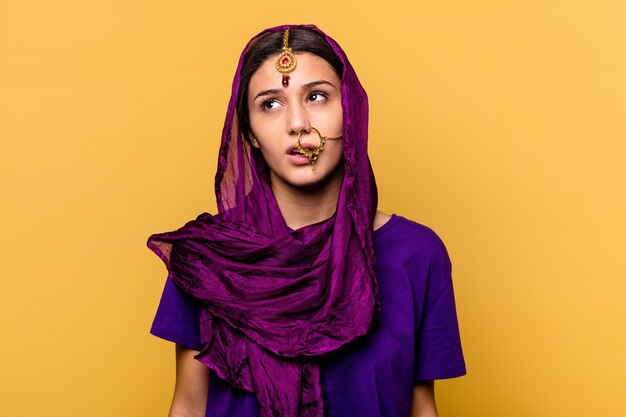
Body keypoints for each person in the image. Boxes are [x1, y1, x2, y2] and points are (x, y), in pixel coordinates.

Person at [147, 24, 466, 417]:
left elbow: (421, 408)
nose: (298, 124)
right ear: (249, 134)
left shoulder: (417, 255)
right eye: (271, 104)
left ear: (350, 111)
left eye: (316, 96)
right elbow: (190, 408)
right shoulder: (207, 258)